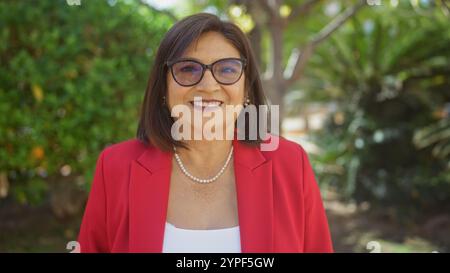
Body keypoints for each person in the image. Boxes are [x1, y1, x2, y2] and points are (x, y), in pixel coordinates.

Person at [77, 13, 333, 253]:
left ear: (245, 89)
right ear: (164, 87)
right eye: (188, 69)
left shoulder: (289, 162)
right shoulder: (116, 166)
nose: (208, 85)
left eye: (227, 69)